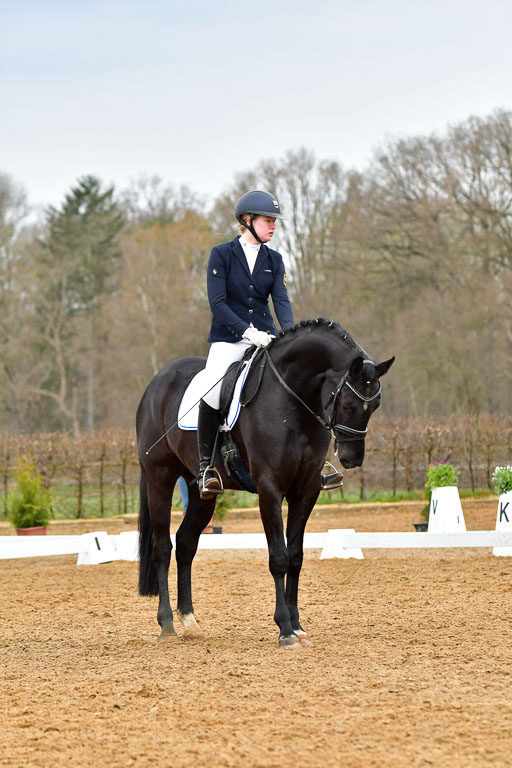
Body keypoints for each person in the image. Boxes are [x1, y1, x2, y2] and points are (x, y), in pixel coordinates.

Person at [196, 189, 342, 498]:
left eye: (274, 221)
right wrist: (246, 332)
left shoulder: (274, 260)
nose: (273, 226)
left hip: (267, 338)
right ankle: (206, 467)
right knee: (211, 389)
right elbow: (218, 304)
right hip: (229, 339)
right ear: (247, 221)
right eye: (267, 221)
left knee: (301, 384)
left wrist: (291, 338)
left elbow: (281, 301)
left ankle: (316, 462)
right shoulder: (221, 255)